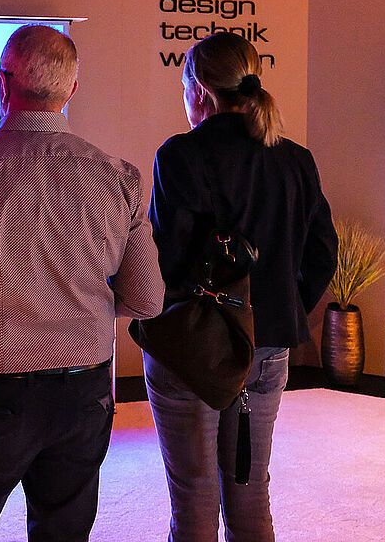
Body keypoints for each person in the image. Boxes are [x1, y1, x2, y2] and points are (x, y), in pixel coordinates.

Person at [0, 23, 165, 542]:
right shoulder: (120, 177)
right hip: (85, 390)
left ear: (2, 84)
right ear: (73, 90)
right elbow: (147, 298)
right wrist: (81, 301)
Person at [141, 31, 338, 541]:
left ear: (200, 89)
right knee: (250, 491)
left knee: (194, 495)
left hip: (192, 347)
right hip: (267, 345)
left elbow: (166, 262)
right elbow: (322, 253)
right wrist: (281, 309)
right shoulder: (296, 158)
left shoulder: (179, 155)